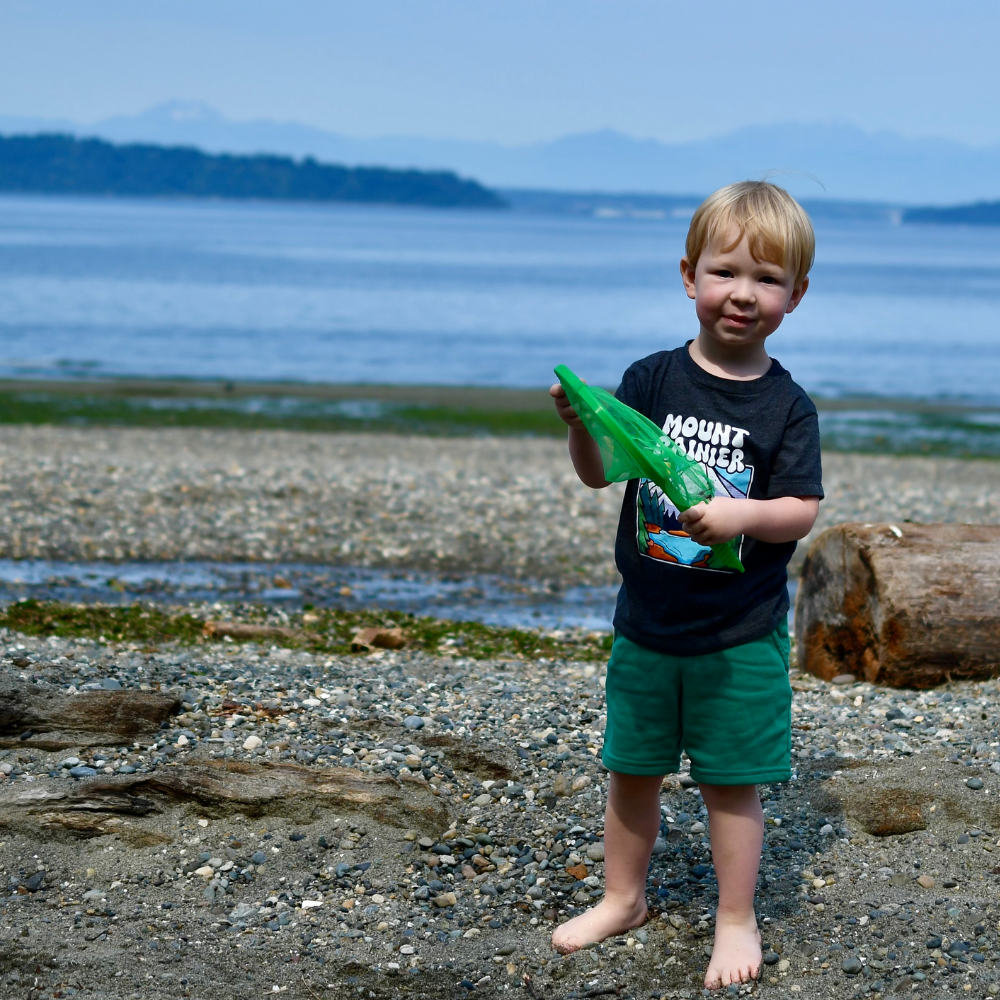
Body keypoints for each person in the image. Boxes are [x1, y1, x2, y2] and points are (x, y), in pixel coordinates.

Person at [548, 181, 823, 990]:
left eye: (767, 280)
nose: (743, 294)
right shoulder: (655, 378)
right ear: (688, 276)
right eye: (726, 272)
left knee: (731, 786)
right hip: (646, 623)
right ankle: (621, 896)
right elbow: (603, 474)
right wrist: (579, 426)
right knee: (630, 770)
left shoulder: (787, 406)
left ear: (795, 297)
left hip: (738, 633)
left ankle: (735, 916)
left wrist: (741, 518)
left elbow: (801, 510)